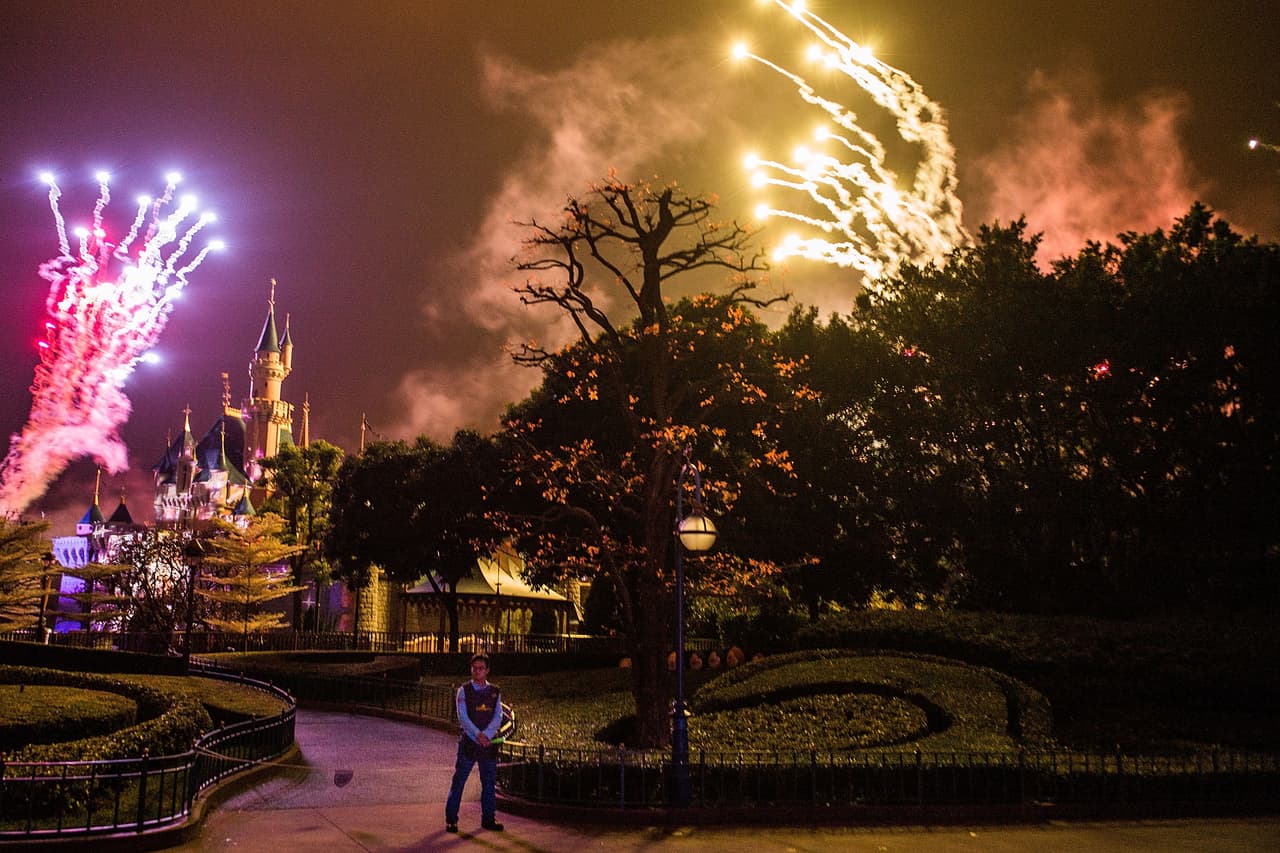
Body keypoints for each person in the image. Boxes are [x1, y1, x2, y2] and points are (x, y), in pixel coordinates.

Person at [445, 653, 503, 833]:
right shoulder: (463, 691)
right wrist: (478, 735)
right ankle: (451, 819)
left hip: (488, 745)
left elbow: (498, 715)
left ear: (487, 670)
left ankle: (488, 818)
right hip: (470, 744)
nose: (477, 672)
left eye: (481, 668)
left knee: (489, 782)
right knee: (459, 781)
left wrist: (487, 735)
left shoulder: (495, 692)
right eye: (474, 668)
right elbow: (463, 717)